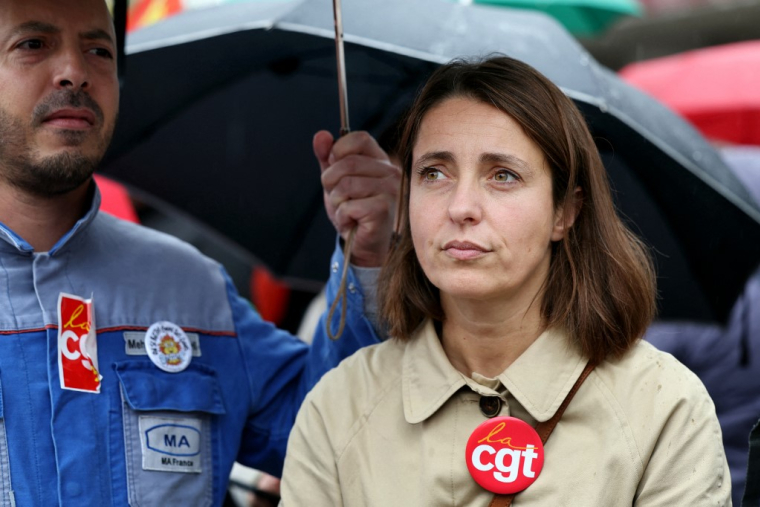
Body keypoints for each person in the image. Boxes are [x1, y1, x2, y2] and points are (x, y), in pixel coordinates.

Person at [280, 56, 731, 505]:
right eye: (434, 173)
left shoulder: (663, 407)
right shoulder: (338, 407)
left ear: (565, 211)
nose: (461, 207)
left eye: (503, 176)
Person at [0, 0, 398, 505]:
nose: (75, 73)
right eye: (33, 44)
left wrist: (367, 256)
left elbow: (333, 437)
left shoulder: (191, 287)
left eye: (99, 50)